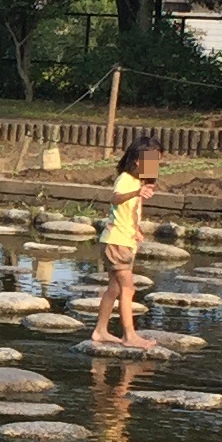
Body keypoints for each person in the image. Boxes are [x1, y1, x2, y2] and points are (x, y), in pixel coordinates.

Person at [95, 140, 162, 344]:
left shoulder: (137, 182)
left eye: (157, 162)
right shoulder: (125, 179)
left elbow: (129, 212)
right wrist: (136, 193)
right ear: (136, 160)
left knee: (114, 289)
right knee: (128, 288)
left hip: (123, 240)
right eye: (151, 161)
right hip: (117, 242)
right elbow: (115, 199)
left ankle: (100, 330)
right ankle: (129, 335)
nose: (155, 166)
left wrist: (137, 230)